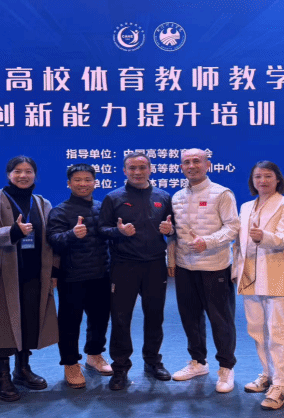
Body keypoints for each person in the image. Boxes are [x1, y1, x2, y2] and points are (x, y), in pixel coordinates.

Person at [0, 156, 58, 402]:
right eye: (18, 171)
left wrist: (54, 270)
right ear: (8, 174)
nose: (23, 175)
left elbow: (51, 237)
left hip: (34, 274)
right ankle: (2, 377)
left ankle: (23, 370)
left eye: (28, 171)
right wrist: (12, 231)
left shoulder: (42, 203)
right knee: (1, 327)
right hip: (3, 276)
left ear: (35, 175)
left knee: (29, 321)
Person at [97, 152, 174, 390]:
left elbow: (173, 228)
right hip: (123, 266)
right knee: (121, 318)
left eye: (142, 167)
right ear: (124, 171)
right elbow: (101, 229)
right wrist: (118, 232)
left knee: (155, 316)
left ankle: (153, 361)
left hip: (155, 265)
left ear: (150, 169)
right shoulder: (113, 197)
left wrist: (170, 230)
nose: (137, 172)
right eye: (132, 168)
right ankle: (120, 367)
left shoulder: (163, 196)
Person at [169, 148, 240, 393]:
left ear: (207, 164)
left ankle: (226, 367)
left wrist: (207, 242)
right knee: (190, 318)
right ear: (181, 167)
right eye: (186, 162)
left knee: (221, 319)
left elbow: (233, 227)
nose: (191, 166)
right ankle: (198, 362)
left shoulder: (222, 193)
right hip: (185, 267)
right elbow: (176, 232)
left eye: (196, 161)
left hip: (214, 266)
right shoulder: (177, 196)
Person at [233, 161, 284, 410]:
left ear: (278, 179)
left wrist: (264, 236)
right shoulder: (246, 206)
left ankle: (281, 386)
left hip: (278, 276)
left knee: (278, 332)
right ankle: (268, 374)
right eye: (258, 176)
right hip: (249, 276)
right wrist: (236, 270)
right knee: (257, 331)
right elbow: (239, 243)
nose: (262, 181)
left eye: (268, 176)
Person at [46, 163, 112, 389]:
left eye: (87, 179)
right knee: (69, 323)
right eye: (77, 180)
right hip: (72, 277)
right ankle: (71, 363)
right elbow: (53, 240)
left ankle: (94, 355)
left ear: (95, 182)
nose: (83, 184)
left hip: (101, 274)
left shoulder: (102, 207)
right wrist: (72, 234)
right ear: (69, 183)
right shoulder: (60, 211)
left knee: (100, 319)